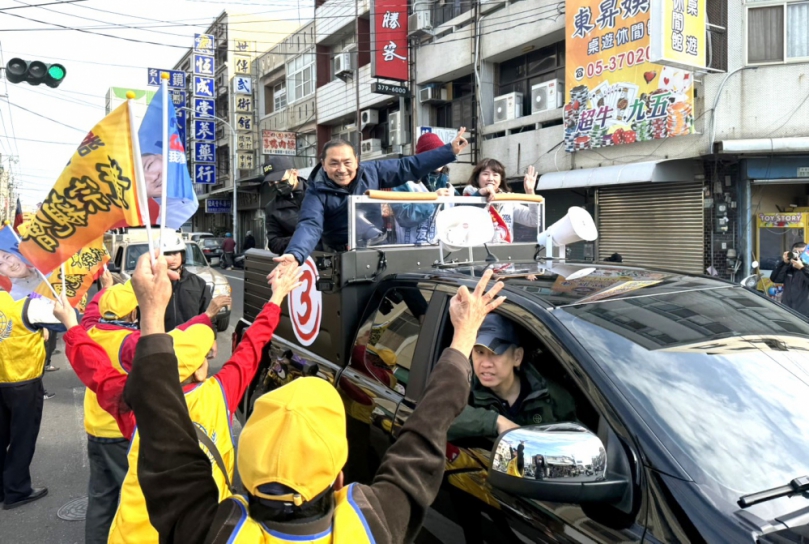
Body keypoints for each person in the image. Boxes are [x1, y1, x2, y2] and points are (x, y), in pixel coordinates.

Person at [123, 265, 504, 543]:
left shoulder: (212, 532)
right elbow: (427, 431)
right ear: (341, 479)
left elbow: (162, 437)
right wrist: (464, 337)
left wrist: (151, 314)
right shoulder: (370, 528)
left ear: (242, 479)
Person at [273, 127, 468, 268]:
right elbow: (310, 225)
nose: (341, 170)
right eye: (334, 163)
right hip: (337, 254)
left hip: (375, 245)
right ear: (323, 164)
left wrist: (448, 151)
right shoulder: (316, 190)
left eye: (347, 162)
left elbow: (408, 165)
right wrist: (295, 255)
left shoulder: (373, 171)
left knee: (403, 290)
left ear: (357, 161)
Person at [447, 314, 577, 443]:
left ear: (517, 357)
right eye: (479, 352)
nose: (485, 363)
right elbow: (436, 416)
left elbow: (575, 439)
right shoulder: (462, 385)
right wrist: (495, 422)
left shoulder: (552, 396)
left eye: (495, 353)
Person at [0, 290, 67, 510]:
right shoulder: (26, 302)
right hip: (23, 379)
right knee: (23, 437)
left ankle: (2, 487)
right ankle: (17, 489)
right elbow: (64, 319)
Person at [391, 132, 458, 246]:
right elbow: (403, 216)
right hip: (409, 253)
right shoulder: (404, 183)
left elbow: (465, 215)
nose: (439, 158)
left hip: (443, 253)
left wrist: (479, 195)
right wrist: (433, 199)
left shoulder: (449, 187)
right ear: (421, 158)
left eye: (442, 154)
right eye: (433, 154)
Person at [462, 159, 540, 243]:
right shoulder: (469, 195)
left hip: (504, 252)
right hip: (476, 251)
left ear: (501, 180)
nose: (490, 178)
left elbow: (534, 221)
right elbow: (461, 216)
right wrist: (480, 194)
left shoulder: (508, 201)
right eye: (485, 174)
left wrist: (530, 192)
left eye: (495, 175)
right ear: (477, 178)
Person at [162, 234, 214, 332]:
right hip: (161, 341)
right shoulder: (152, 283)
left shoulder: (198, 283)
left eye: (176, 253)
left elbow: (207, 314)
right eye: (168, 254)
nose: (173, 258)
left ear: (183, 255)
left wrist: (212, 338)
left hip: (190, 340)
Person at [263, 156, 311, 255]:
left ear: (294, 173)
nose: (277, 184)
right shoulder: (272, 208)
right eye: (272, 182)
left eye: (280, 179)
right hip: (296, 262)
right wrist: (299, 238)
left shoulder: (317, 195)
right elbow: (274, 243)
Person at [771, 241, 809, 317]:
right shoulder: (788, 268)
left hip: (805, 313)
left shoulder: (806, 270)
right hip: (788, 310)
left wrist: (802, 268)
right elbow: (775, 279)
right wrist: (784, 263)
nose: (798, 256)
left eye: (801, 253)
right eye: (795, 252)